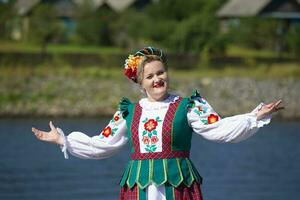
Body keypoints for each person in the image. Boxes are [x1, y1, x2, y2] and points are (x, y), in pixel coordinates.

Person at [32, 47, 283, 200]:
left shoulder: (189, 105)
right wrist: (62, 139)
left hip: (178, 185)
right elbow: (104, 143)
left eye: (161, 73)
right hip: (139, 187)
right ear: (141, 83)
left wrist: (254, 116)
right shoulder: (129, 112)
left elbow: (218, 129)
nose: (157, 79)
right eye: (150, 76)